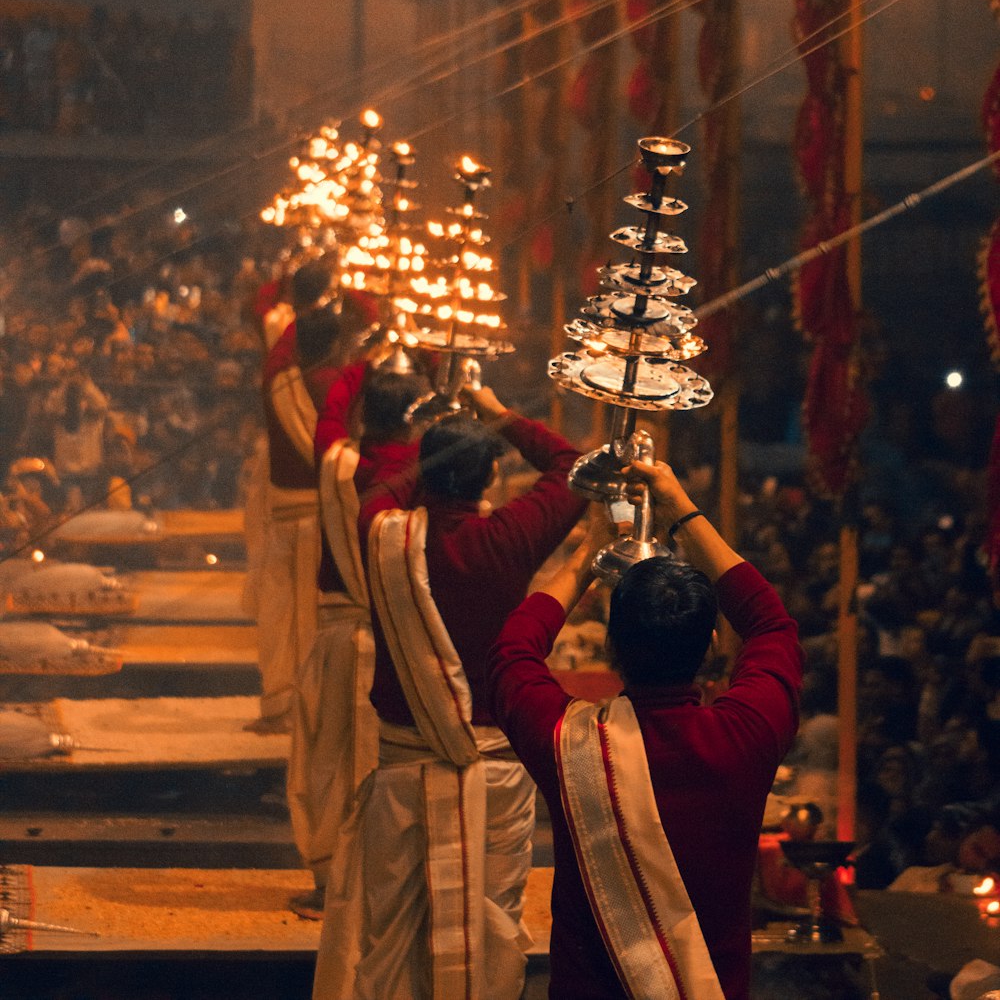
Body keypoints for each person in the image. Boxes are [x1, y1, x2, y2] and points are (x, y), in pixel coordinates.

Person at [486, 459, 803, 1000]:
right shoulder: (745, 735)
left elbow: (511, 652)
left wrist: (588, 555)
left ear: (611, 648)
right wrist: (682, 511)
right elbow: (771, 622)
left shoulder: (570, 742)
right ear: (709, 647)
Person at [338, 385, 586, 1000]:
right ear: (492, 478)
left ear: (423, 479)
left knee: (392, 934)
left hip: (403, 771)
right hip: (496, 774)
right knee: (492, 925)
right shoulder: (510, 537)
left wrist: (422, 442)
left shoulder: (383, 535)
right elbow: (573, 467)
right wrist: (497, 412)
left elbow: (384, 484)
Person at [299, 361, 428, 971]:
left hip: (337, 633)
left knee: (330, 758)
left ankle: (334, 884)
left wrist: (361, 361)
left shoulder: (338, 460)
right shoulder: (421, 474)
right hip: (396, 640)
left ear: (363, 416)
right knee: (377, 765)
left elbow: (327, 416)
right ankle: (375, 886)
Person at [250, 300, 346, 736]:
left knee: (279, 614)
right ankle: (304, 707)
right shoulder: (332, 384)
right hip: (315, 516)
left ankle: (279, 703)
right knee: (309, 616)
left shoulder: (282, 380)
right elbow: (333, 453)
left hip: (283, 513)